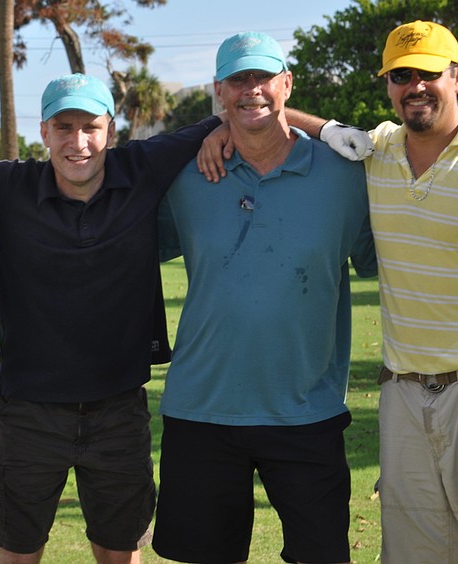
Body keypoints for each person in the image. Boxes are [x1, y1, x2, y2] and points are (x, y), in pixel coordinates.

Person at [0, 72, 372, 562]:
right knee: (18, 552)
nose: (78, 143)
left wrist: (329, 129)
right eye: (63, 128)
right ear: (44, 132)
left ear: (110, 132)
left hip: (119, 407)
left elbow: (251, 110)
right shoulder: (4, 184)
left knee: (120, 552)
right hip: (26, 410)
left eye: (91, 127)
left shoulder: (144, 168)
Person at [198, 21, 458, 563]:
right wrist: (230, 126)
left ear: (457, 77)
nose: (414, 86)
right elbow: (279, 118)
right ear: (389, 85)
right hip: (404, 396)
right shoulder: (378, 151)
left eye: (427, 73)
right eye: (401, 76)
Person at [151, 32, 377, 564]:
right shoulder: (185, 177)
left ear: (286, 84)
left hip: (308, 412)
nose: (250, 90)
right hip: (202, 409)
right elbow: (116, 241)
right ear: (219, 92)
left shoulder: (346, 176)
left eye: (262, 78)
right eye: (238, 80)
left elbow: (391, 261)